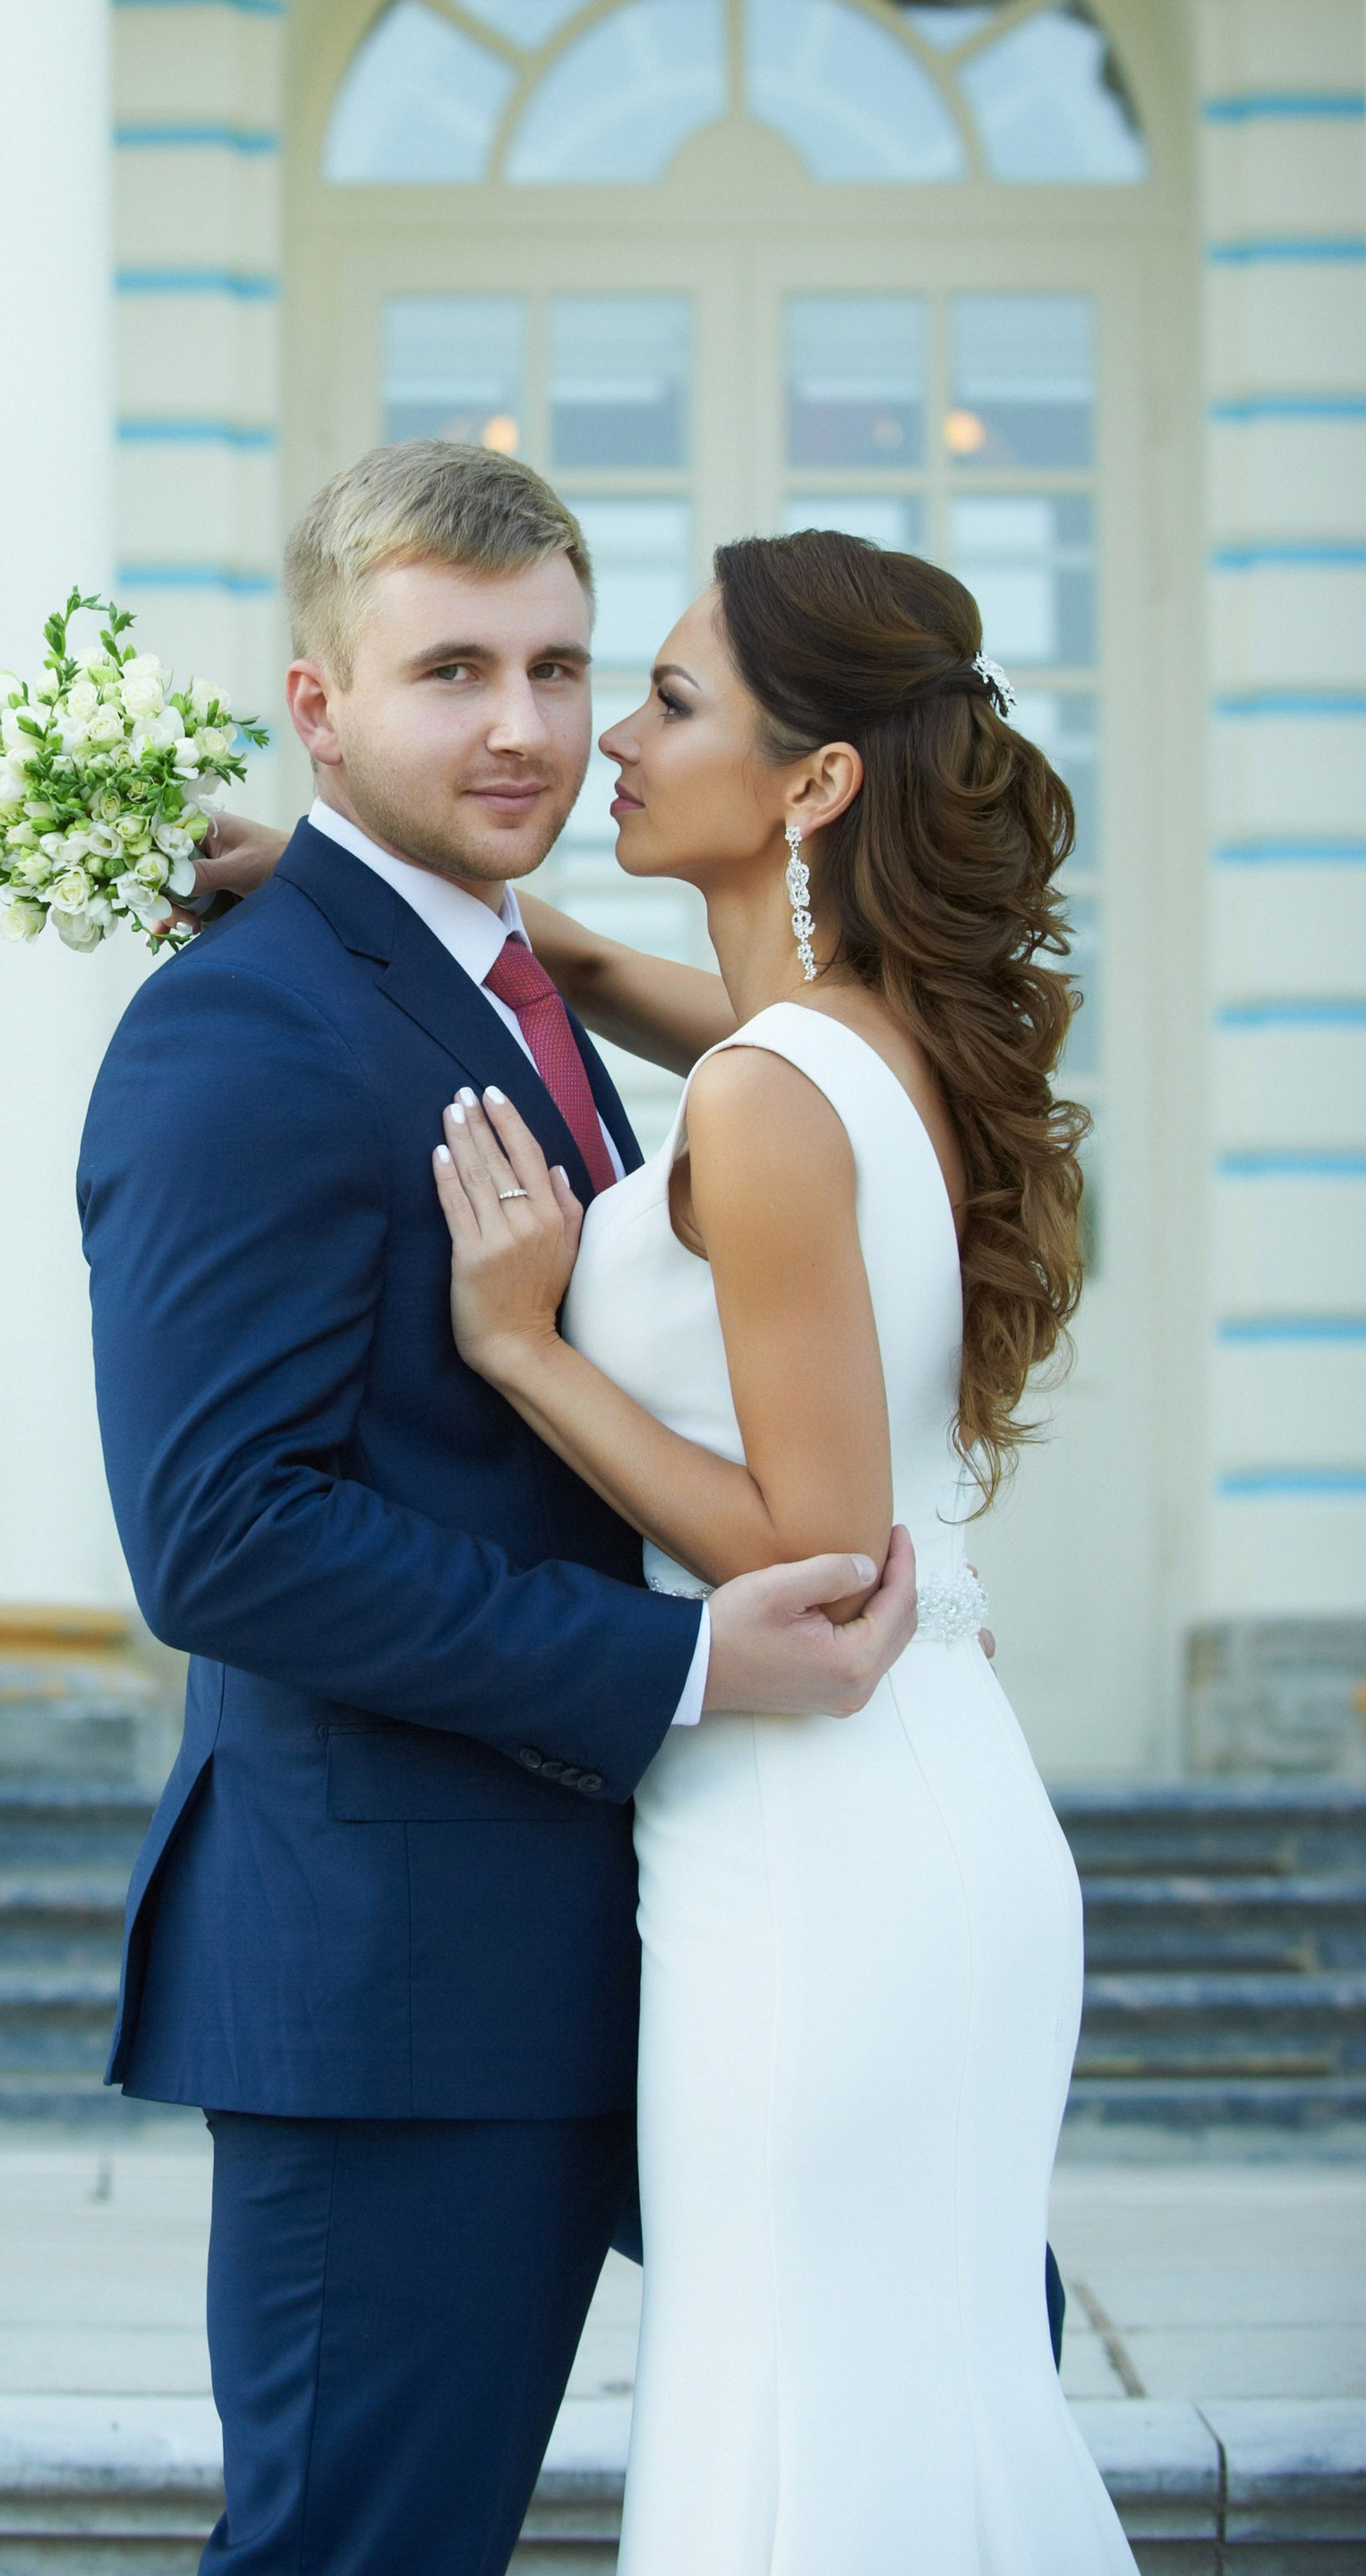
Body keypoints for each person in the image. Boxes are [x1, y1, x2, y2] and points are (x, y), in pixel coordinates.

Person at [78, 445, 926, 2576]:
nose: (528, 726)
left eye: (561, 665)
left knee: (929, 2393)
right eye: (449, 670)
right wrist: (682, 1656)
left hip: (667, 1928)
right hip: (400, 1983)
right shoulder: (235, 1040)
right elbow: (223, 1538)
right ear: (315, 702)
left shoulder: (508, 991)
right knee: (366, 2553)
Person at [424, 525, 1131, 2572]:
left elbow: (812, 1558)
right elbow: (605, 981)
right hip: (904, 1822)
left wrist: (521, 1346)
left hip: (824, 1858)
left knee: (797, 2437)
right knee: (891, 2418)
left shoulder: (761, 1093)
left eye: (663, 702)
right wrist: (348, 880)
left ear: (812, 780)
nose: (608, 743)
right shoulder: (860, 1043)